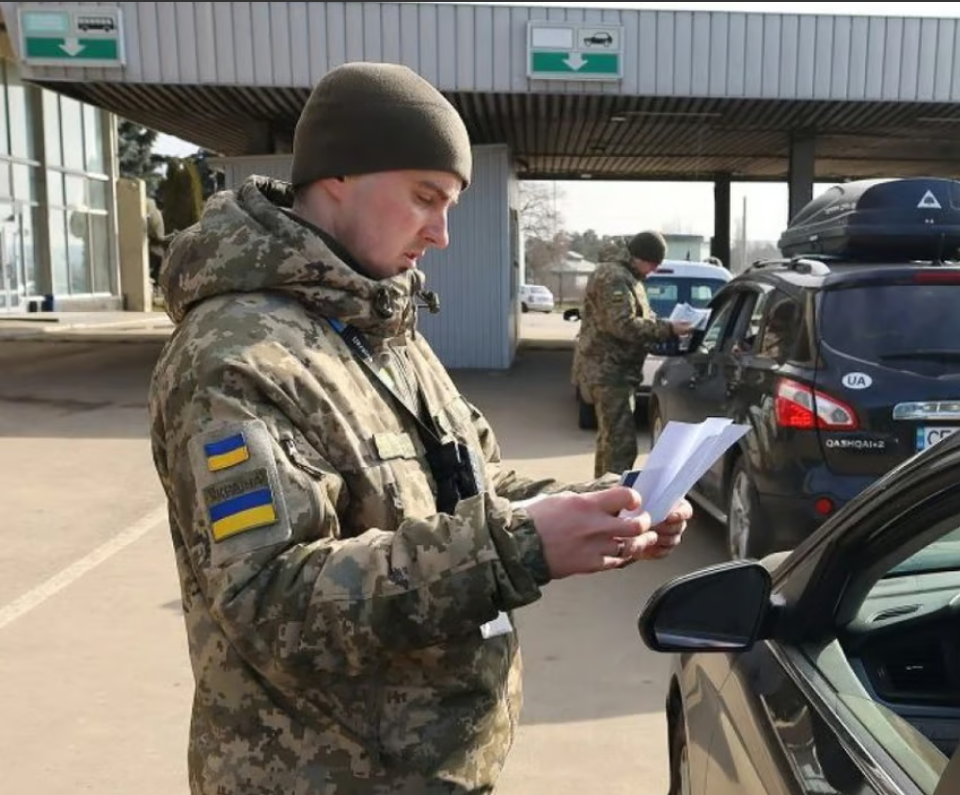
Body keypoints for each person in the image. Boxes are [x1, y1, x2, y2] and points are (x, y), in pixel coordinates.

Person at [146, 60, 693, 795]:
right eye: (425, 197)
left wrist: (601, 506)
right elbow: (270, 601)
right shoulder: (236, 354)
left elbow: (471, 479)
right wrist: (519, 545)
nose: (440, 234)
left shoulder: (378, 324)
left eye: (451, 204)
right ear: (339, 174)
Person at [571, 231, 695, 478]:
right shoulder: (613, 277)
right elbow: (622, 325)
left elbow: (640, 317)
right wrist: (668, 329)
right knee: (621, 446)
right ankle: (615, 496)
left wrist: (664, 326)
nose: (654, 270)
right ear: (641, 257)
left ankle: (602, 492)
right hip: (608, 371)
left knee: (610, 442)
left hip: (617, 370)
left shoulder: (629, 277)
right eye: (654, 264)